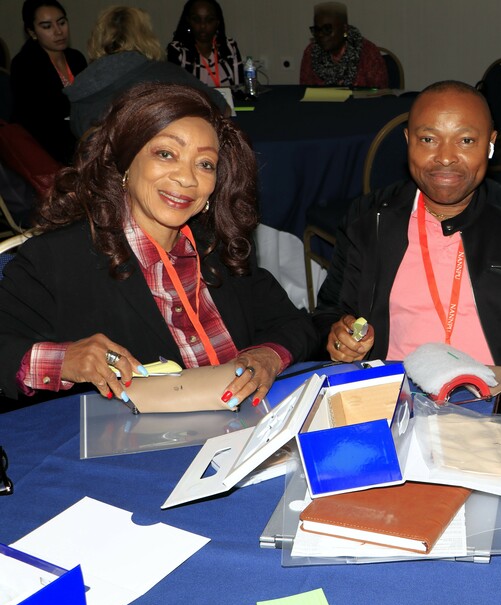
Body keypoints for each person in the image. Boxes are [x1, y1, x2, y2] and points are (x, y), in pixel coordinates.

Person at [0, 82, 317, 408]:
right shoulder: (57, 259)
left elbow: (293, 323)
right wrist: (64, 359)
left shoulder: (220, 247)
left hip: (246, 428)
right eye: (166, 154)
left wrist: (267, 357)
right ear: (125, 162)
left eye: (205, 164)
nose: (187, 178)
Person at [313, 80, 501, 376]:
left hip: (499, 393)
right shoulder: (368, 219)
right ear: (408, 140)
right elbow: (329, 314)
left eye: (466, 140)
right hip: (395, 392)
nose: (445, 157)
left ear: (490, 143)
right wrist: (339, 337)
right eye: (428, 139)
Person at [65, 5, 228, 139]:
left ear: (98, 38)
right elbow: (221, 107)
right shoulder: (166, 73)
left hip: (100, 168)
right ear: (146, 36)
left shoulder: (80, 88)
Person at [9, 0, 87, 164]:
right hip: (45, 151)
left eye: (62, 23)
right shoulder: (25, 65)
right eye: (47, 26)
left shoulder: (76, 58)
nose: (58, 31)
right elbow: (38, 125)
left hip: (81, 143)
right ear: (32, 32)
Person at [299, 2, 388, 88]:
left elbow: (380, 93)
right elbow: (304, 91)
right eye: (317, 29)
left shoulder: (368, 53)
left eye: (327, 29)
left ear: (344, 28)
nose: (320, 34)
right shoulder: (311, 53)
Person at [167, 0, 242, 90]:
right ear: (188, 21)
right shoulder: (177, 51)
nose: (202, 26)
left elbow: (240, 88)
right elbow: (175, 91)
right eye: (196, 20)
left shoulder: (229, 46)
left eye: (209, 20)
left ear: (217, 22)